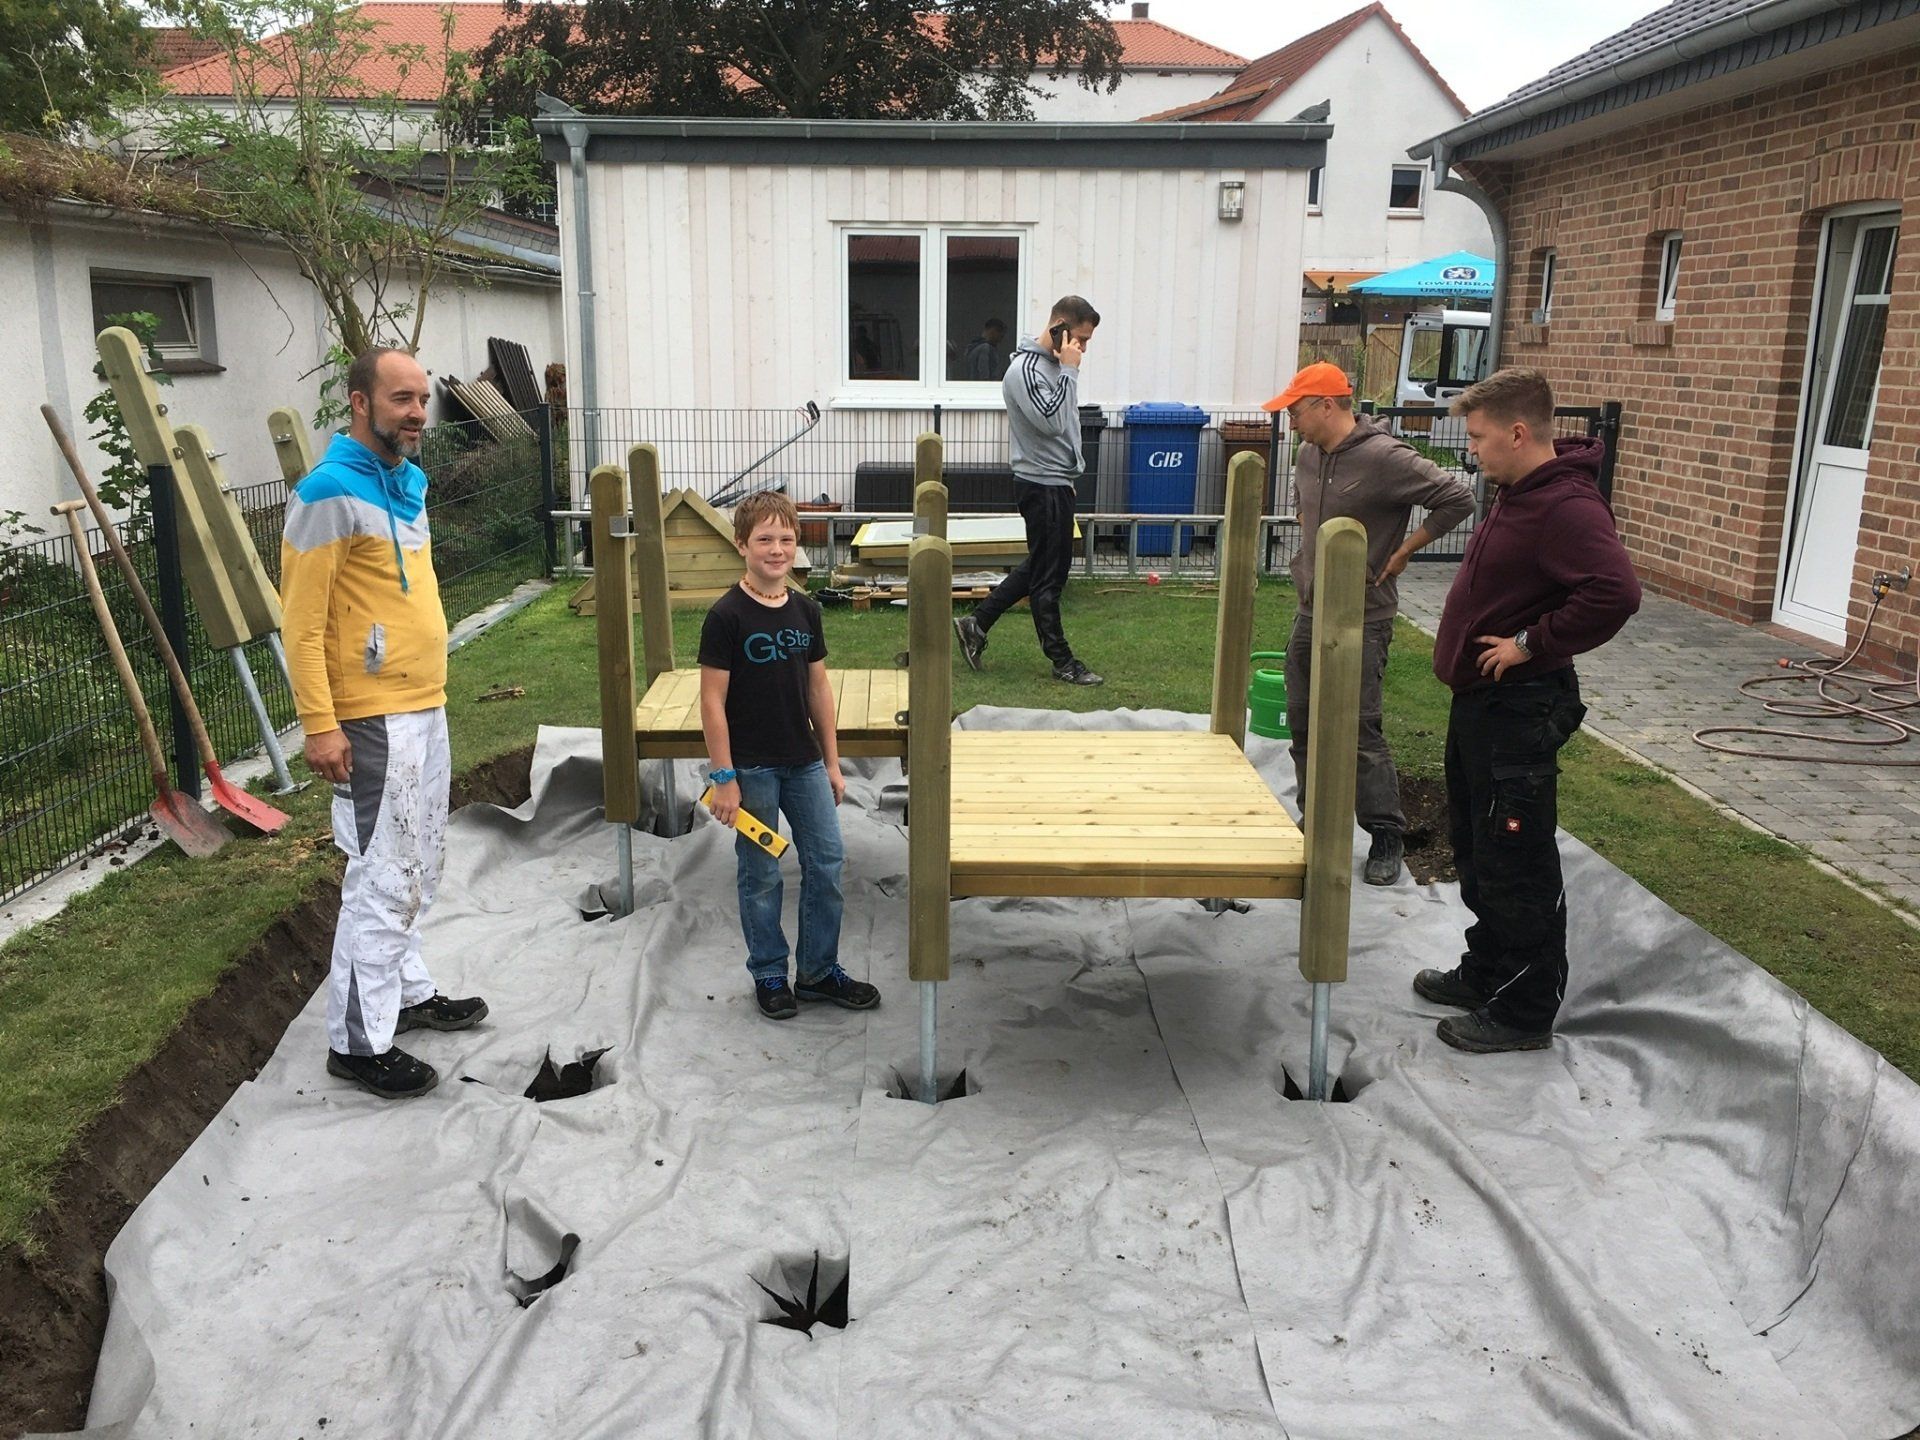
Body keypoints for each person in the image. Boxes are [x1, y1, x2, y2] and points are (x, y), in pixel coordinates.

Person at [281, 348, 489, 1099]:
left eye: (422, 399)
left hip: (424, 702)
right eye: (401, 398)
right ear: (360, 402)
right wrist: (320, 724)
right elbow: (301, 624)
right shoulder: (326, 493)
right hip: (370, 719)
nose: (417, 412)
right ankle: (358, 1044)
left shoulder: (408, 483)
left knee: (420, 863)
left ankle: (405, 992)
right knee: (384, 875)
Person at [1417, 367, 1640, 1054]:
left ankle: (1523, 1011)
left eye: (1478, 437)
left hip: (1519, 707)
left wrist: (1529, 643)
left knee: (1516, 856)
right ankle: (1488, 970)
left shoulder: (1566, 507)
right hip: (1480, 705)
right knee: (1478, 845)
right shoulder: (1519, 492)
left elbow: (1615, 592)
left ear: (1518, 433)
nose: (1471, 450)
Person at [1264, 361, 1474, 886]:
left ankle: (1385, 833)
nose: (1291, 421)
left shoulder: (1384, 457)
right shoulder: (1308, 454)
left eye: (1296, 411)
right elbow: (1304, 500)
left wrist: (1405, 550)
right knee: (1303, 719)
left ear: (1326, 405)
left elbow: (1458, 498)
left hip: (1364, 616)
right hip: (1311, 611)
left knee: (1359, 727)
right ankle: (1316, 820)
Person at [699, 492, 879, 1021]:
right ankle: (770, 973)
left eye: (785, 539)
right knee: (762, 872)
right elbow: (711, 702)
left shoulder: (806, 610)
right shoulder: (726, 616)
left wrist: (832, 761)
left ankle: (818, 972)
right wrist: (724, 776)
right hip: (750, 768)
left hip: (804, 763)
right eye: (764, 539)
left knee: (827, 860)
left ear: (797, 543)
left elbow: (819, 689)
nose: (776, 549)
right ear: (741, 545)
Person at [954, 295, 1103, 686]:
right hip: (1040, 484)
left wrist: (1068, 477)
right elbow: (1052, 423)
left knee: (1042, 566)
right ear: (1059, 327)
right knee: (1049, 578)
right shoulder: (1024, 371)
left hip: (1057, 482)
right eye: (1080, 339)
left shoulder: (1054, 367)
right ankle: (1062, 660)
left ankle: (976, 624)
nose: (1083, 349)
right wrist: (1069, 370)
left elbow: (1063, 425)